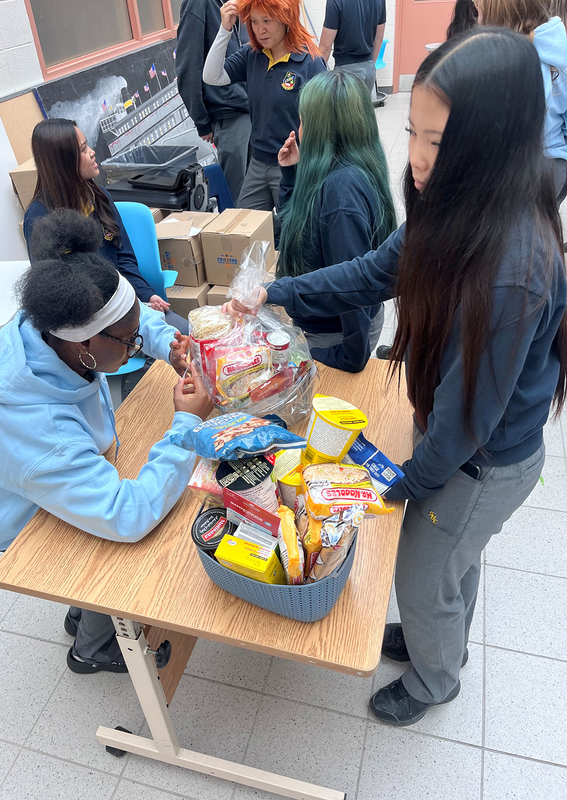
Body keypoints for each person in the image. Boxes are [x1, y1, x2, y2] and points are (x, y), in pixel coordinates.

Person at [225, 28, 567, 725]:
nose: (414, 156)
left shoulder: (512, 266)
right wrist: (277, 293)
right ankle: (436, 636)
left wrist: (402, 483)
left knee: (421, 568)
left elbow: (467, 419)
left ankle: (434, 679)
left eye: (438, 142)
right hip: (461, 438)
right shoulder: (454, 208)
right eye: (413, 130)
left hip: (482, 459)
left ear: (493, 143)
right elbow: (372, 272)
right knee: (451, 562)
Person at [0, 210, 213, 674]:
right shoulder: (44, 438)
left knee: (112, 512)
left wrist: (169, 348)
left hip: (31, 474)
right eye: (129, 342)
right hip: (7, 513)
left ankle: (85, 616)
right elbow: (127, 515)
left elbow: (132, 324)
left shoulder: (49, 325)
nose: (138, 344)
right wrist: (184, 427)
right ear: (83, 346)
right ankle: (92, 650)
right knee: (112, 551)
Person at [276, 70, 396, 371]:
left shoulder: (341, 192)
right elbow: (295, 232)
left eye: (303, 121)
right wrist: (292, 176)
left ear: (322, 130)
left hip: (336, 335)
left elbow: (351, 285)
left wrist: (348, 357)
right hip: (330, 324)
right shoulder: (339, 170)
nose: (298, 130)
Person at [23, 118, 189, 334]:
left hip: (124, 302)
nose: (92, 152)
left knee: (187, 334)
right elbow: (54, 293)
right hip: (86, 324)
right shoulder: (39, 219)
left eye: (88, 145)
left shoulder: (98, 197)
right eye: (83, 149)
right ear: (62, 161)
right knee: (166, 349)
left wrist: (145, 295)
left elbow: (124, 257)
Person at [203, 0, 326, 211]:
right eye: (254, 21)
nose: (260, 30)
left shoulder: (310, 62)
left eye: (267, 20)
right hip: (258, 165)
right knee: (245, 229)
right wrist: (225, 28)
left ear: (285, 18)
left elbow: (325, 122)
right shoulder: (252, 55)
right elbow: (211, 76)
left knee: (292, 232)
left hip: (293, 165)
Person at [478, 0, 567, 204]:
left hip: (521, 170)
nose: (478, 20)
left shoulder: (495, 62)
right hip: (554, 165)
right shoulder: (559, 53)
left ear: (498, 16)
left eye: (479, 13)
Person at [176, 0, 251, 203]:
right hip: (229, 113)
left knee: (257, 197)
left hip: (251, 109)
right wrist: (202, 121)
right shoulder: (198, 4)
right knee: (238, 201)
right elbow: (187, 67)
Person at [318, 0, 386, 92]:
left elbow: (325, 46)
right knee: (365, 106)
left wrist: (315, 78)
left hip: (346, 73)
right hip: (369, 69)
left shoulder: (335, 1)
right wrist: (370, 64)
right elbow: (379, 38)